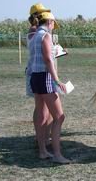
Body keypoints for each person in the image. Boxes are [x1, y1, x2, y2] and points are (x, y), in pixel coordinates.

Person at [30, 11, 71, 164]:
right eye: (54, 24)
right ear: (49, 22)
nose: (54, 27)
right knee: (59, 117)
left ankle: (42, 151)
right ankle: (58, 155)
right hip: (45, 77)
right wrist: (57, 80)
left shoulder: (34, 36)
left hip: (35, 77)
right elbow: (48, 59)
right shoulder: (45, 36)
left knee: (41, 116)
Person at [26, 3, 54, 148]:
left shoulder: (38, 31)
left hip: (38, 71)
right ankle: (42, 138)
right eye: (41, 13)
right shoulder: (37, 31)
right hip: (39, 72)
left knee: (42, 107)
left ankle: (43, 138)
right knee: (43, 109)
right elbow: (42, 53)